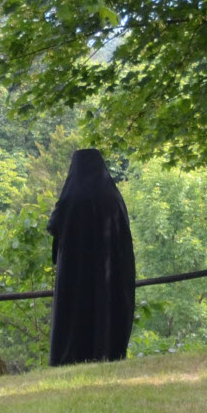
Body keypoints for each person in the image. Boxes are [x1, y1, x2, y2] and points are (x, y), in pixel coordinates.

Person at [47, 148, 135, 364]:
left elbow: (53, 226)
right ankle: (108, 351)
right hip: (109, 270)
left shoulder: (70, 198)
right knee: (106, 306)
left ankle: (72, 356)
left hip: (75, 273)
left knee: (75, 312)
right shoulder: (113, 197)